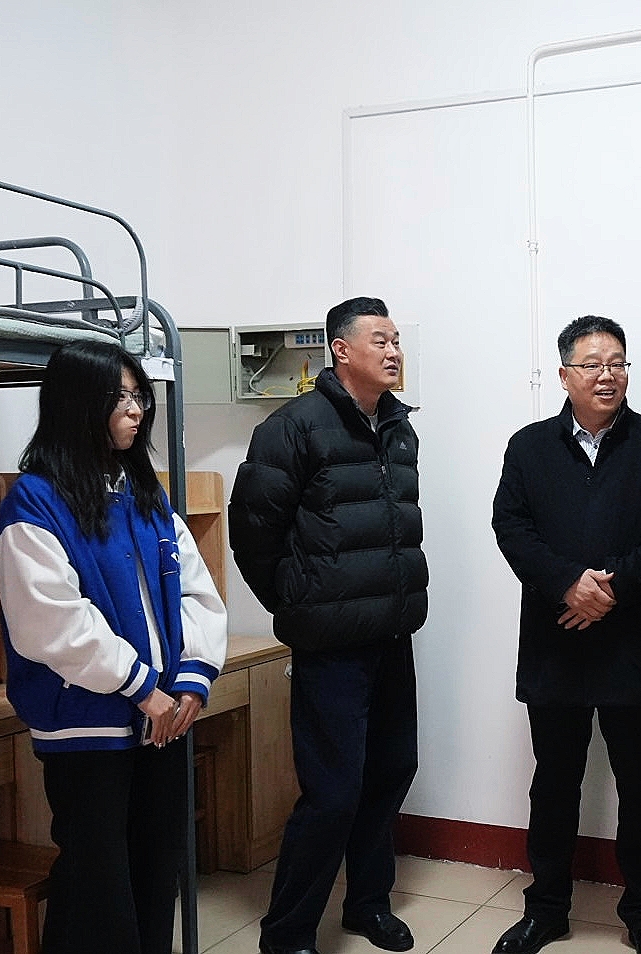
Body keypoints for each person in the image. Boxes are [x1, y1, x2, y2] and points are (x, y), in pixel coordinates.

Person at [0, 340, 228, 954]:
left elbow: (195, 592)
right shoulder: (35, 501)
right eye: (119, 398)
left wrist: (191, 680)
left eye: (138, 396)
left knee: (156, 872)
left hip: (162, 720)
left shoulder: (145, 497)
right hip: (88, 725)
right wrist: (142, 688)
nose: (136, 410)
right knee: (98, 889)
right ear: (78, 405)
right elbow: (50, 621)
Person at [491, 316, 641, 954]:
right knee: (554, 783)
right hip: (556, 643)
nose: (608, 375)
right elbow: (511, 526)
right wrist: (566, 585)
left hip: (633, 647)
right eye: (592, 364)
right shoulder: (529, 447)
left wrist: (611, 590)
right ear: (564, 375)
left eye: (617, 363)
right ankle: (547, 909)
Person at [230, 297, 427, 954]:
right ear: (341, 350)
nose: (394, 351)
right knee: (333, 794)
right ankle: (286, 933)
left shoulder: (398, 426)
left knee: (391, 771)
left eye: (396, 340)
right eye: (380, 340)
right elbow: (252, 532)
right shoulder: (292, 428)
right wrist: (300, 602)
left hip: (392, 634)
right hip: (331, 644)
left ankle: (367, 905)